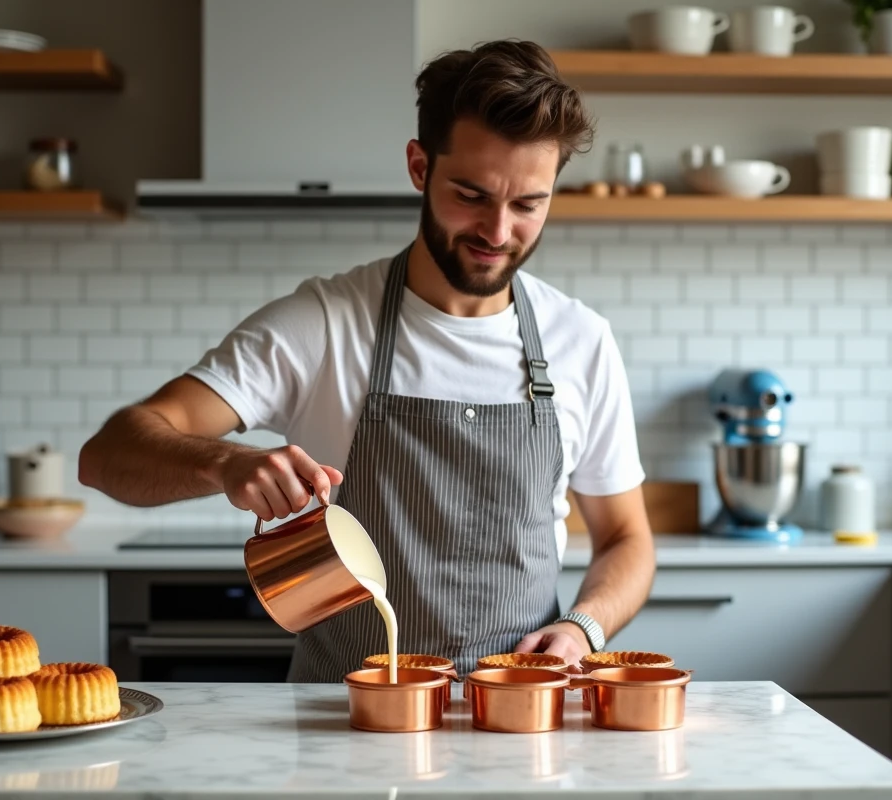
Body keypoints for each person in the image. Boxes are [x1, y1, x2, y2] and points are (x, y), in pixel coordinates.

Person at [79, 40, 655, 681]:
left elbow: (627, 540)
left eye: (528, 204)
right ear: (419, 166)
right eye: (470, 194)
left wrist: (585, 626)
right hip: (341, 732)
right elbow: (106, 455)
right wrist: (223, 463)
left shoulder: (581, 340)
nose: (497, 232)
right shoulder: (324, 324)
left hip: (517, 727)